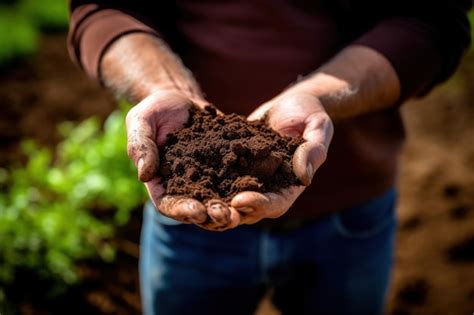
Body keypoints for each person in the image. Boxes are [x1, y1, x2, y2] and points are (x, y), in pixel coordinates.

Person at [68, 1, 471, 314]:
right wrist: (163, 86)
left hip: (349, 217)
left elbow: (431, 19)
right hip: (187, 222)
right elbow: (103, 7)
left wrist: (315, 95)